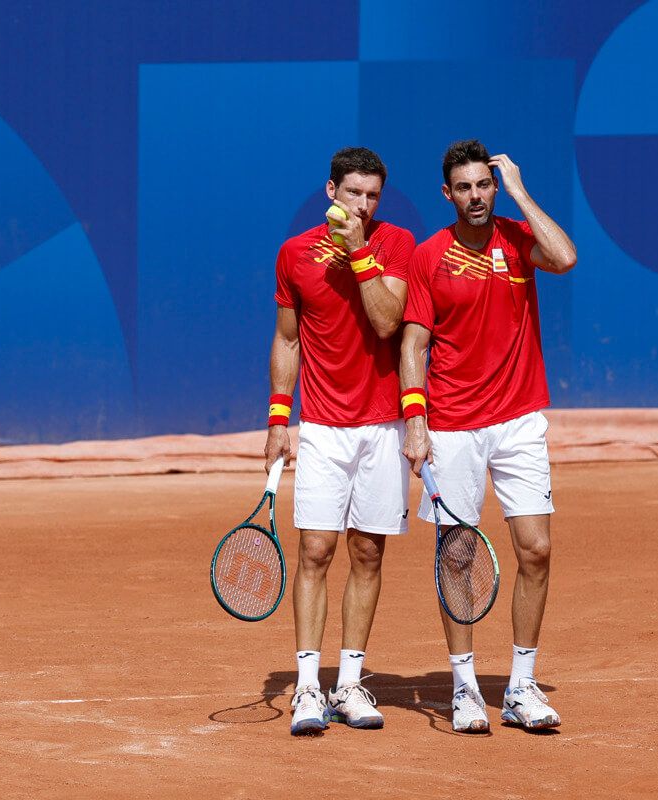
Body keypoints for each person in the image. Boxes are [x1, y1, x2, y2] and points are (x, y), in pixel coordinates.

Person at [399, 139, 576, 733]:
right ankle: (467, 687)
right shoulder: (428, 257)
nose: (477, 196)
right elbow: (414, 346)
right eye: (465, 187)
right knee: (458, 553)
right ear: (447, 194)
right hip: (451, 426)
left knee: (537, 550)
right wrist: (416, 422)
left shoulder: (518, 239)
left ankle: (522, 688)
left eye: (486, 185)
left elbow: (566, 257)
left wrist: (522, 193)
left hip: (520, 418)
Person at [266, 147, 415, 735]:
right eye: (353, 192)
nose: (362, 204)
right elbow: (287, 339)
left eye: (372, 195)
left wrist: (357, 250)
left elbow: (386, 322)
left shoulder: (397, 244)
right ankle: (307, 688)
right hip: (324, 426)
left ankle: (349, 683)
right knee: (315, 552)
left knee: (368, 553)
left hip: (383, 426)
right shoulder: (294, 254)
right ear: (331, 191)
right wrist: (281, 418)